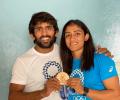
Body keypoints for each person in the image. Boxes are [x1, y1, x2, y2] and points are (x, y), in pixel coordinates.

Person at [8, 12, 113, 100]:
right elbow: (12, 96)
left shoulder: (67, 51)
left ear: (56, 32)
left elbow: (85, 53)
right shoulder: (23, 61)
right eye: (39, 29)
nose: (44, 33)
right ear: (32, 35)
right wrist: (43, 92)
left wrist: (101, 53)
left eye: (48, 27)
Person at [60, 19, 120, 100]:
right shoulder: (62, 63)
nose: (72, 38)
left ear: (86, 37)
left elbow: (116, 96)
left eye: (77, 33)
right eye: (67, 35)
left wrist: (83, 90)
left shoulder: (102, 60)